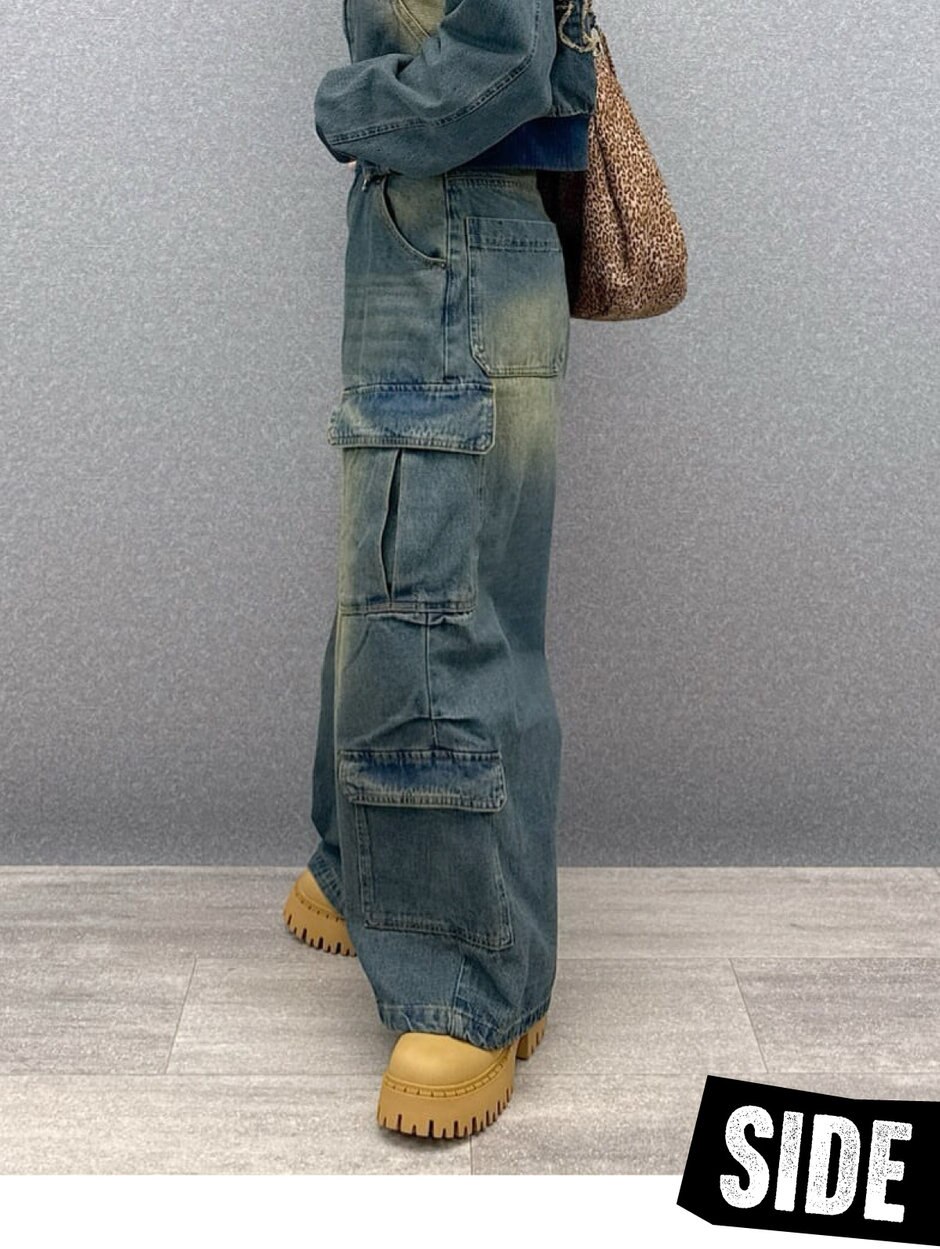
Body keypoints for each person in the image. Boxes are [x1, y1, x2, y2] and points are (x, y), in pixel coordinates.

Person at [282, 0, 598, 1139]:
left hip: (454, 230)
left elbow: (503, 54)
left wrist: (349, 107)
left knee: (429, 602)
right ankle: (353, 863)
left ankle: (471, 984)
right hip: (436, 231)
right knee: (400, 572)